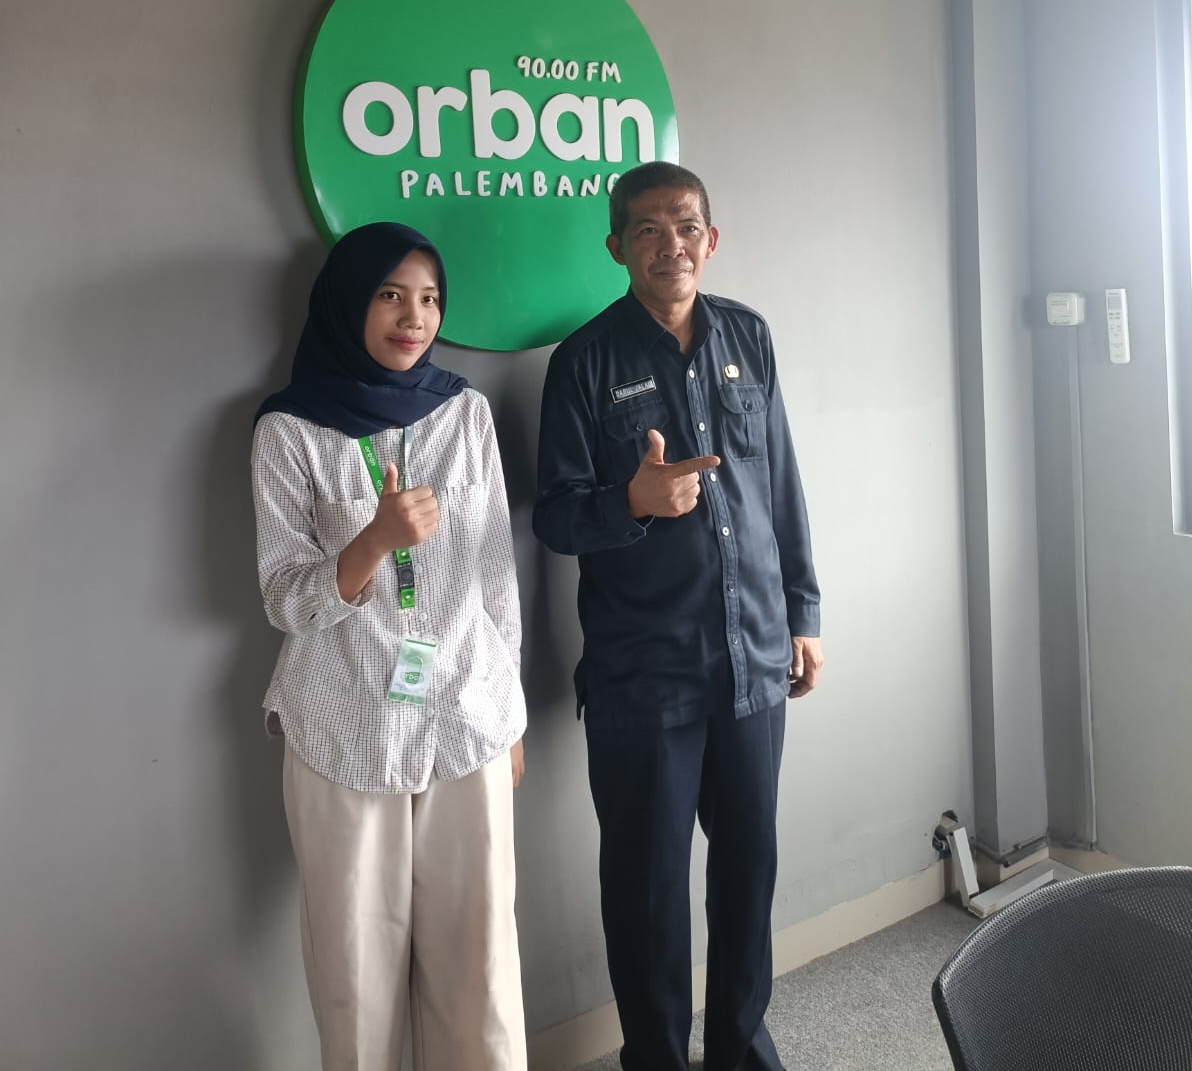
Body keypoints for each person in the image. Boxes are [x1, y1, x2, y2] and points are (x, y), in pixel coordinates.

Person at [533, 162, 822, 1071]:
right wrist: (635, 501)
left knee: (747, 873)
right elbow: (554, 518)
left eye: (687, 226)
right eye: (649, 230)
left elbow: (780, 483)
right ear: (617, 246)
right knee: (649, 893)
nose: (672, 246)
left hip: (753, 657)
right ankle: (655, 1059)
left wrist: (803, 612)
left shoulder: (749, 335)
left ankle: (739, 1050)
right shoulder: (585, 362)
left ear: (712, 238)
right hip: (644, 676)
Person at [252, 221, 527, 1071]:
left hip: (467, 718)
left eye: (430, 298)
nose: (415, 317)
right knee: (355, 980)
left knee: (480, 968)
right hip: (345, 727)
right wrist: (372, 542)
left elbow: (495, 574)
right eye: (390, 295)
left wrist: (511, 714)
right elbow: (283, 598)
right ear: (348, 302)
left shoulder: (465, 412)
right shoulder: (289, 430)